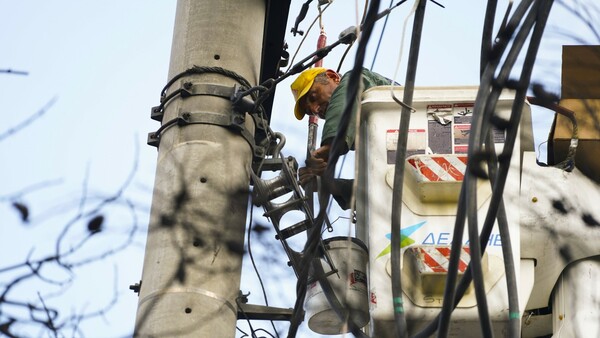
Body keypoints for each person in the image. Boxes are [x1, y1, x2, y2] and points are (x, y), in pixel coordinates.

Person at [290, 67, 393, 209]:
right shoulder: (372, 138)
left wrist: (328, 148)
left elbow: (345, 95)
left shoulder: (357, 79)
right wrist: (327, 184)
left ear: (333, 77)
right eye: (310, 111)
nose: (315, 110)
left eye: (313, 97)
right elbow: (375, 192)